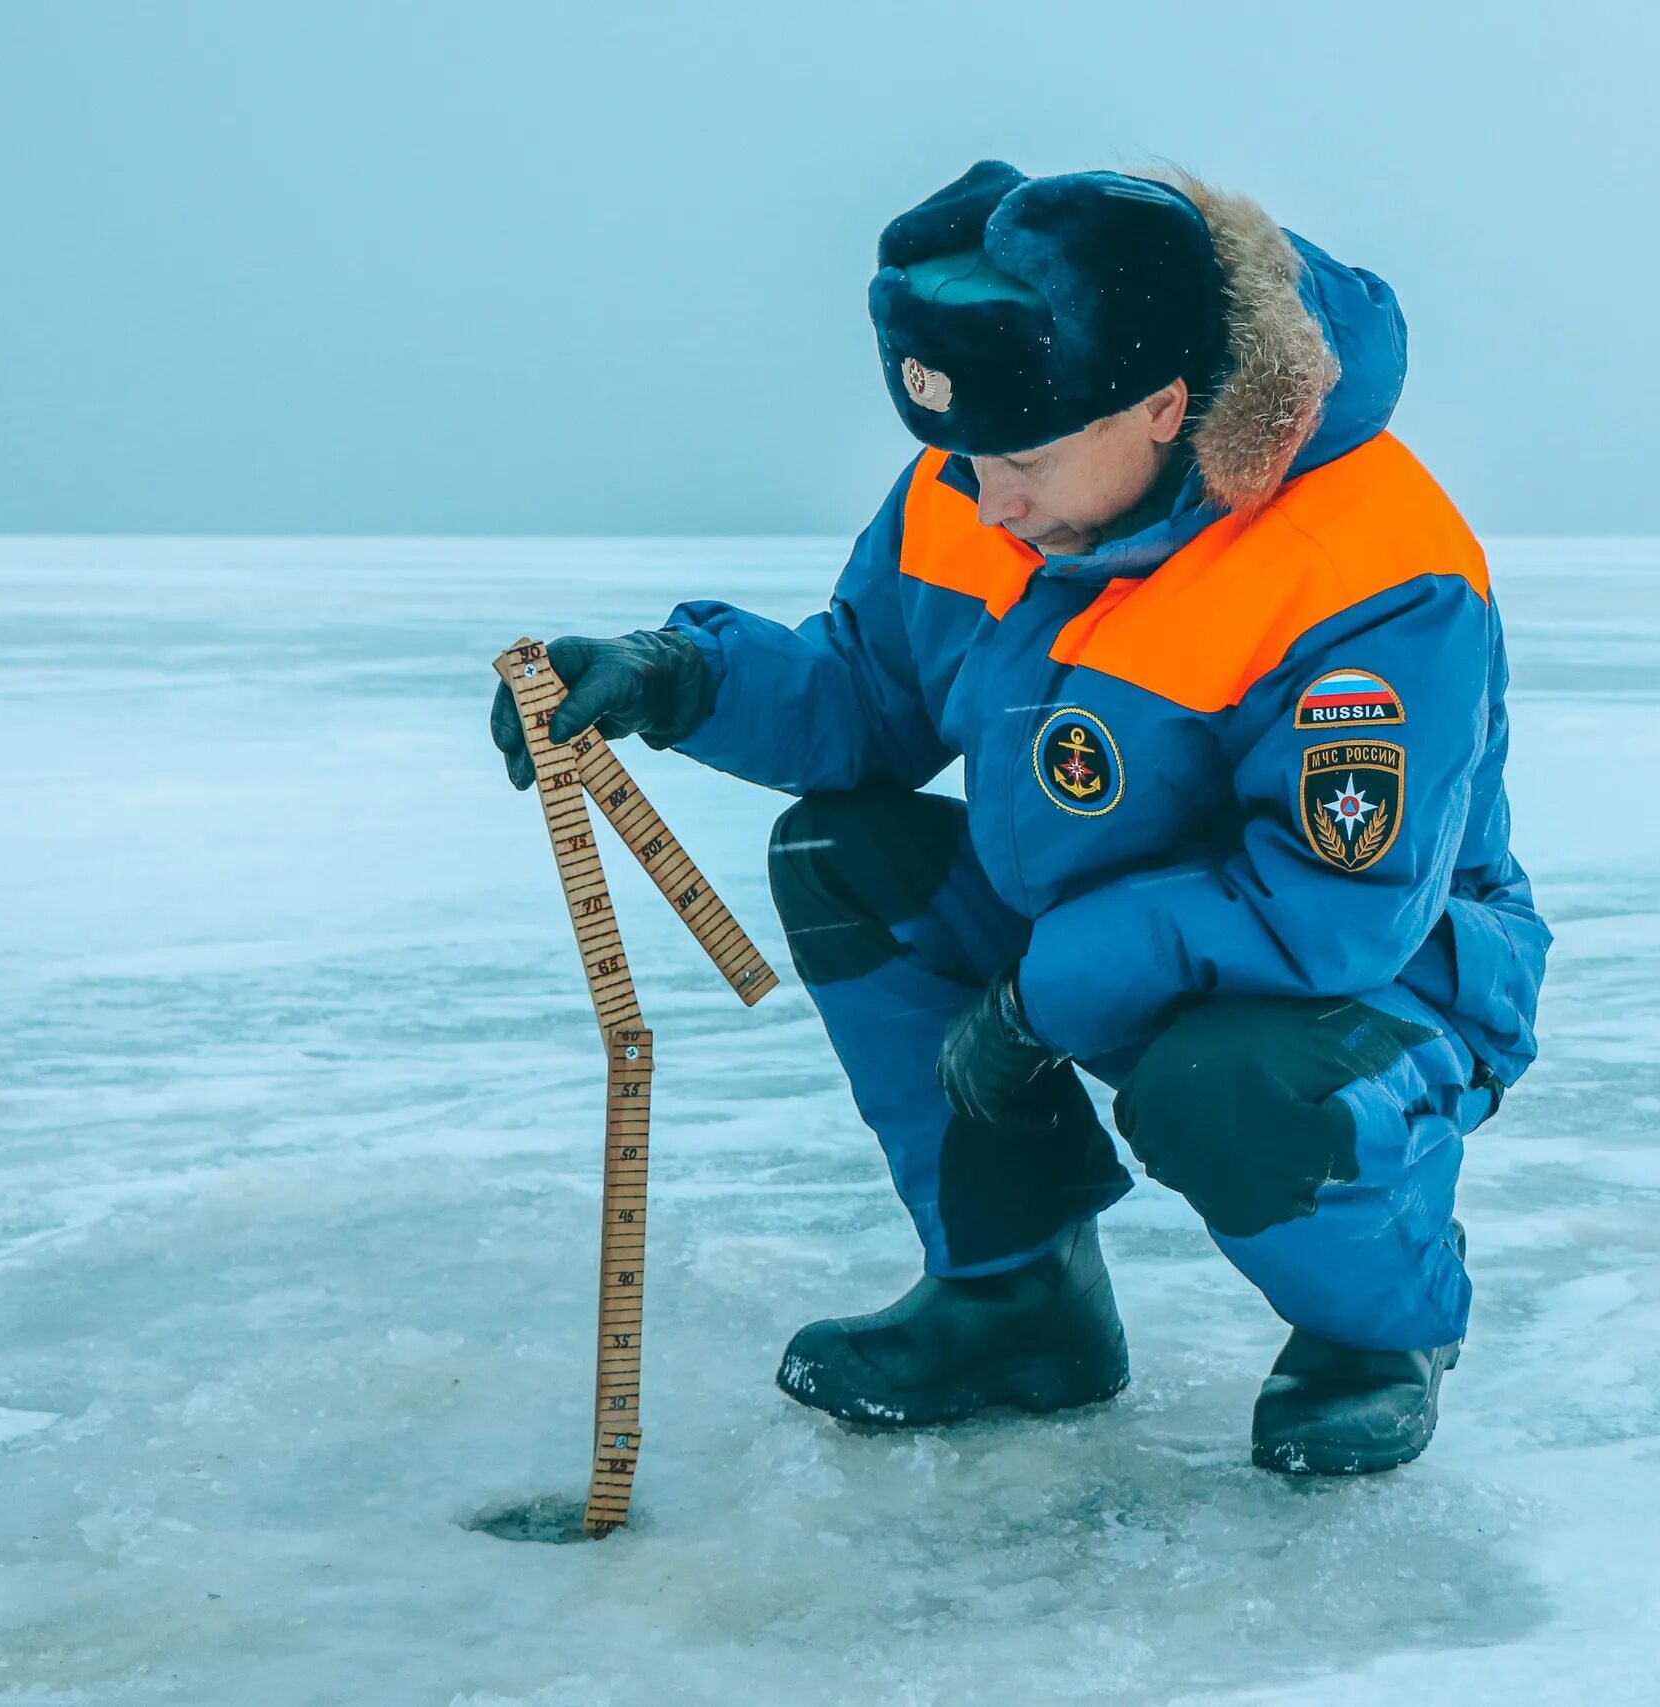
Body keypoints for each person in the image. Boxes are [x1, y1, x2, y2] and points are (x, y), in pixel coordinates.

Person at [492, 161, 1549, 1474]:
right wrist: (678, 677)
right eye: (967, 460)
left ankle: (1376, 1333)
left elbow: (1329, 912)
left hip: (1384, 980)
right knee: (848, 854)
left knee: (1236, 1089)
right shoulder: (996, 465)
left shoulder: (1367, 567)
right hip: (1096, 939)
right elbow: (872, 695)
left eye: (1024, 464)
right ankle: (1015, 1297)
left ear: (1167, 405)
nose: (988, 502)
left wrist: (1037, 998)